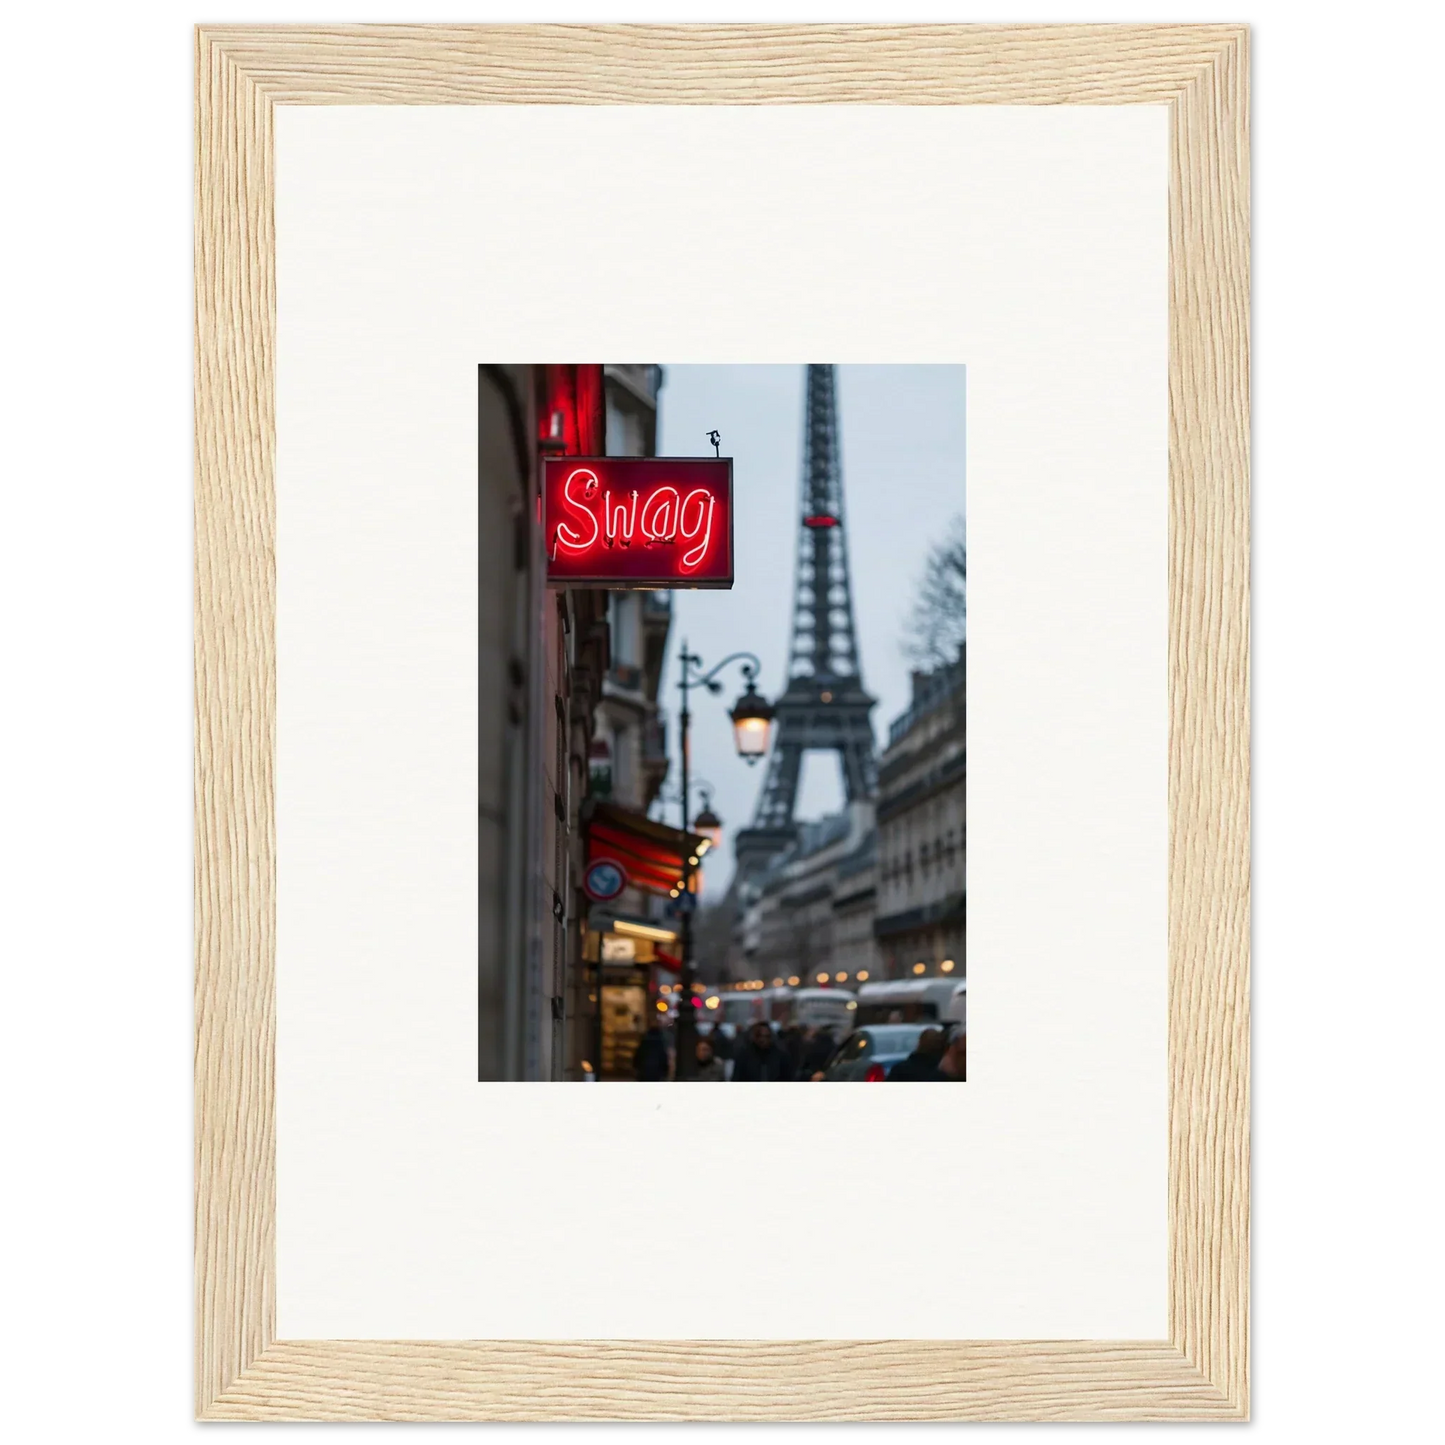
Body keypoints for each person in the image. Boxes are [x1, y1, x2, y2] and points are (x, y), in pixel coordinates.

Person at [730, 1021, 795, 1081]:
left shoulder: (781, 1057)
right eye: (759, 1036)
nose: (762, 1040)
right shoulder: (744, 1056)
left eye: (766, 1036)